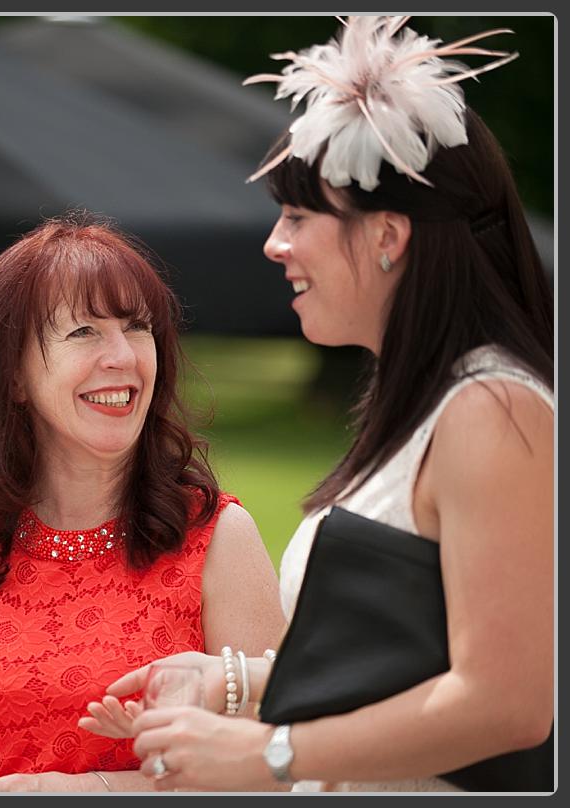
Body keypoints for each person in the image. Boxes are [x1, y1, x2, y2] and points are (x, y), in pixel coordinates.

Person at [112, 16, 553, 792]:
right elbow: (399, 654)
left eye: (299, 217)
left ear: (388, 235)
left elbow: (509, 703)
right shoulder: (425, 403)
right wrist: (230, 681)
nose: (274, 245)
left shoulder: (493, 411)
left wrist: (265, 753)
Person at [0, 215, 285, 793]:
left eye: (137, 327)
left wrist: (88, 791)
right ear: (13, 374)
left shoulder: (217, 538)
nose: (123, 356)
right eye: (83, 332)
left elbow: (280, 761)